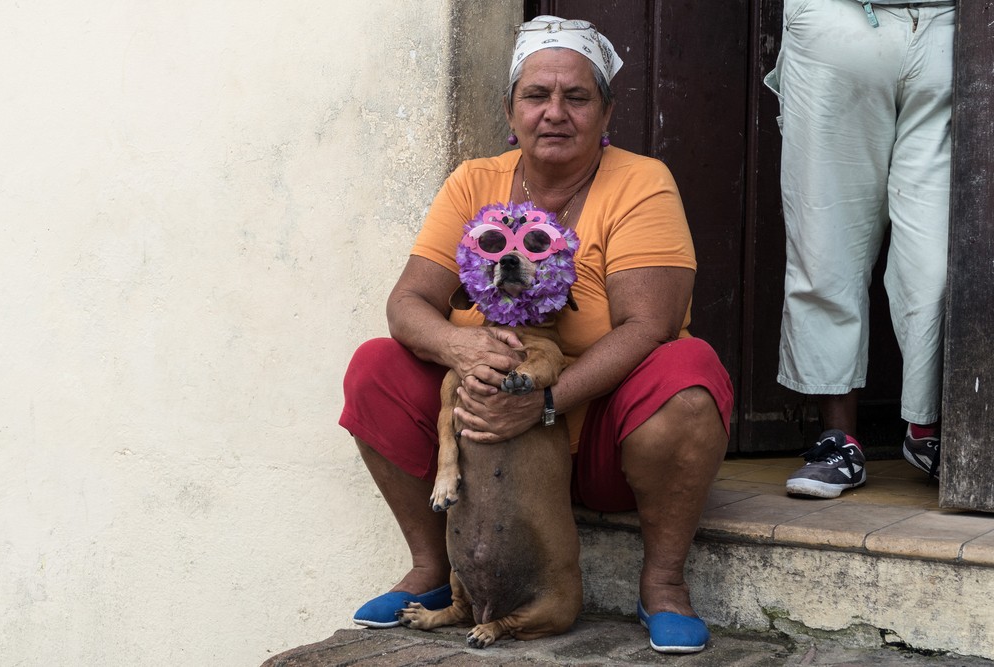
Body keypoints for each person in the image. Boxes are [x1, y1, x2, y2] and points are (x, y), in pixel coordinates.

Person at [340, 16, 733, 654]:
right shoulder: (474, 182)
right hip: (483, 443)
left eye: (576, 97)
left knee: (687, 372)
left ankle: (662, 584)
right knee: (376, 368)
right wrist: (459, 347)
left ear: (606, 112)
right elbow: (409, 303)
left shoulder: (641, 182)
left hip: (599, 445)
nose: (555, 113)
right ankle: (436, 573)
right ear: (510, 108)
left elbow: (648, 324)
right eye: (536, 96)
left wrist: (545, 402)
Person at [765, 0, 955, 498]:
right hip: (838, 20)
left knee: (937, 261)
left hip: (949, 21)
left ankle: (926, 426)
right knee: (826, 244)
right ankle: (839, 440)